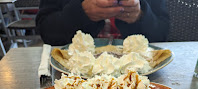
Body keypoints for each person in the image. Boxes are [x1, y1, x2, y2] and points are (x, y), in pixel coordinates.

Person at [36, 0, 169, 46]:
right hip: (73, 75)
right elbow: (46, 31)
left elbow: (162, 33)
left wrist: (140, 15)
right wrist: (80, 13)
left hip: (141, 75)